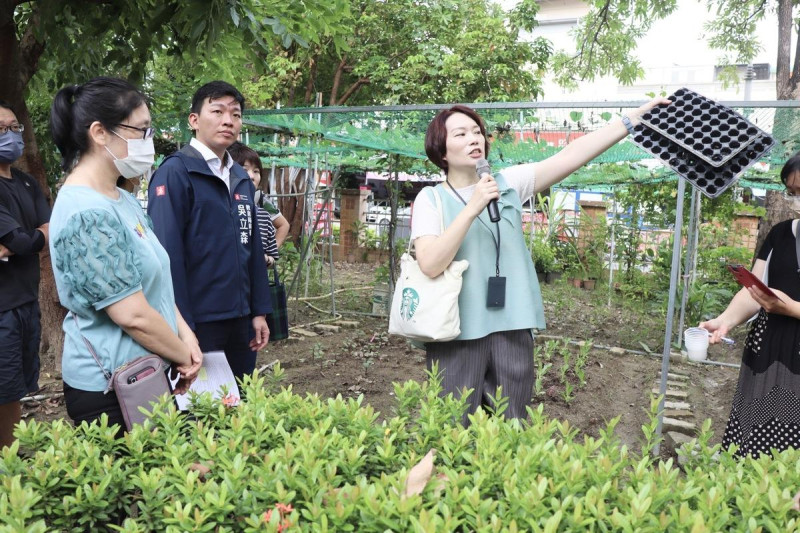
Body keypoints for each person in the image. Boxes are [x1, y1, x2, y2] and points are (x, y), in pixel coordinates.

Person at [411, 99, 669, 425]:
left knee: (512, 428)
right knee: (452, 428)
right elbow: (431, 263)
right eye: (460, 134)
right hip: (456, 334)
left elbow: (570, 156)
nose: (474, 139)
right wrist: (473, 207)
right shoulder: (430, 199)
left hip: (512, 330)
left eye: (477, 131)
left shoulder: (509, 184)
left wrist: (629, 121)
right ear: (442, 152)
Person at [48, 77, 202, 432]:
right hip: (113, 386)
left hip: (148, 369)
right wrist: (183, 357)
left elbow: (153, 282)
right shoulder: (85, 213)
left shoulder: (123, 199)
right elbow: (131, 314)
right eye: (143, 130)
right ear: (100, 133)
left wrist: (185, 335)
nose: (150, 141)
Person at [147, 81, 271, 381]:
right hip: (198, 323)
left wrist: (258, 311)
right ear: (194, 120)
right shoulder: (176, 172)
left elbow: (252, 248)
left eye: (236, 114)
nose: (228, 120)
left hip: (240, 320)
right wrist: (182, 326)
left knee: (238, 405)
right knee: (200, 413)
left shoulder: (240, 176)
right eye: (217, 111)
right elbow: (167, 255)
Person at [701, 154, 800, 457]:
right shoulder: (782, 233)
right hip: (769, 348)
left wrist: (792, 308)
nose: (797, 201)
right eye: (793, 193)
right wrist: (726, 320)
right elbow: (756, 288)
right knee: (756, 433)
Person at [0, 101, 50, 448]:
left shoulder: (27, 183)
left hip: (27, 301)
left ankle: (11, 461)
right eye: (1, 128)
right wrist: (26, 240)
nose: (11, 135)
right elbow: (21, 238)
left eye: (14, 127)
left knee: (16, 390)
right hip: (2, 308)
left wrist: (24, 242)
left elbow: (47, 230)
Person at [228, 142, 281, 265]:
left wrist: (267, 259)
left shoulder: (264, 211)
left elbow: (283, 225)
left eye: (256, 171)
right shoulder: (219, 208)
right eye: (244, 170)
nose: (251, 176)